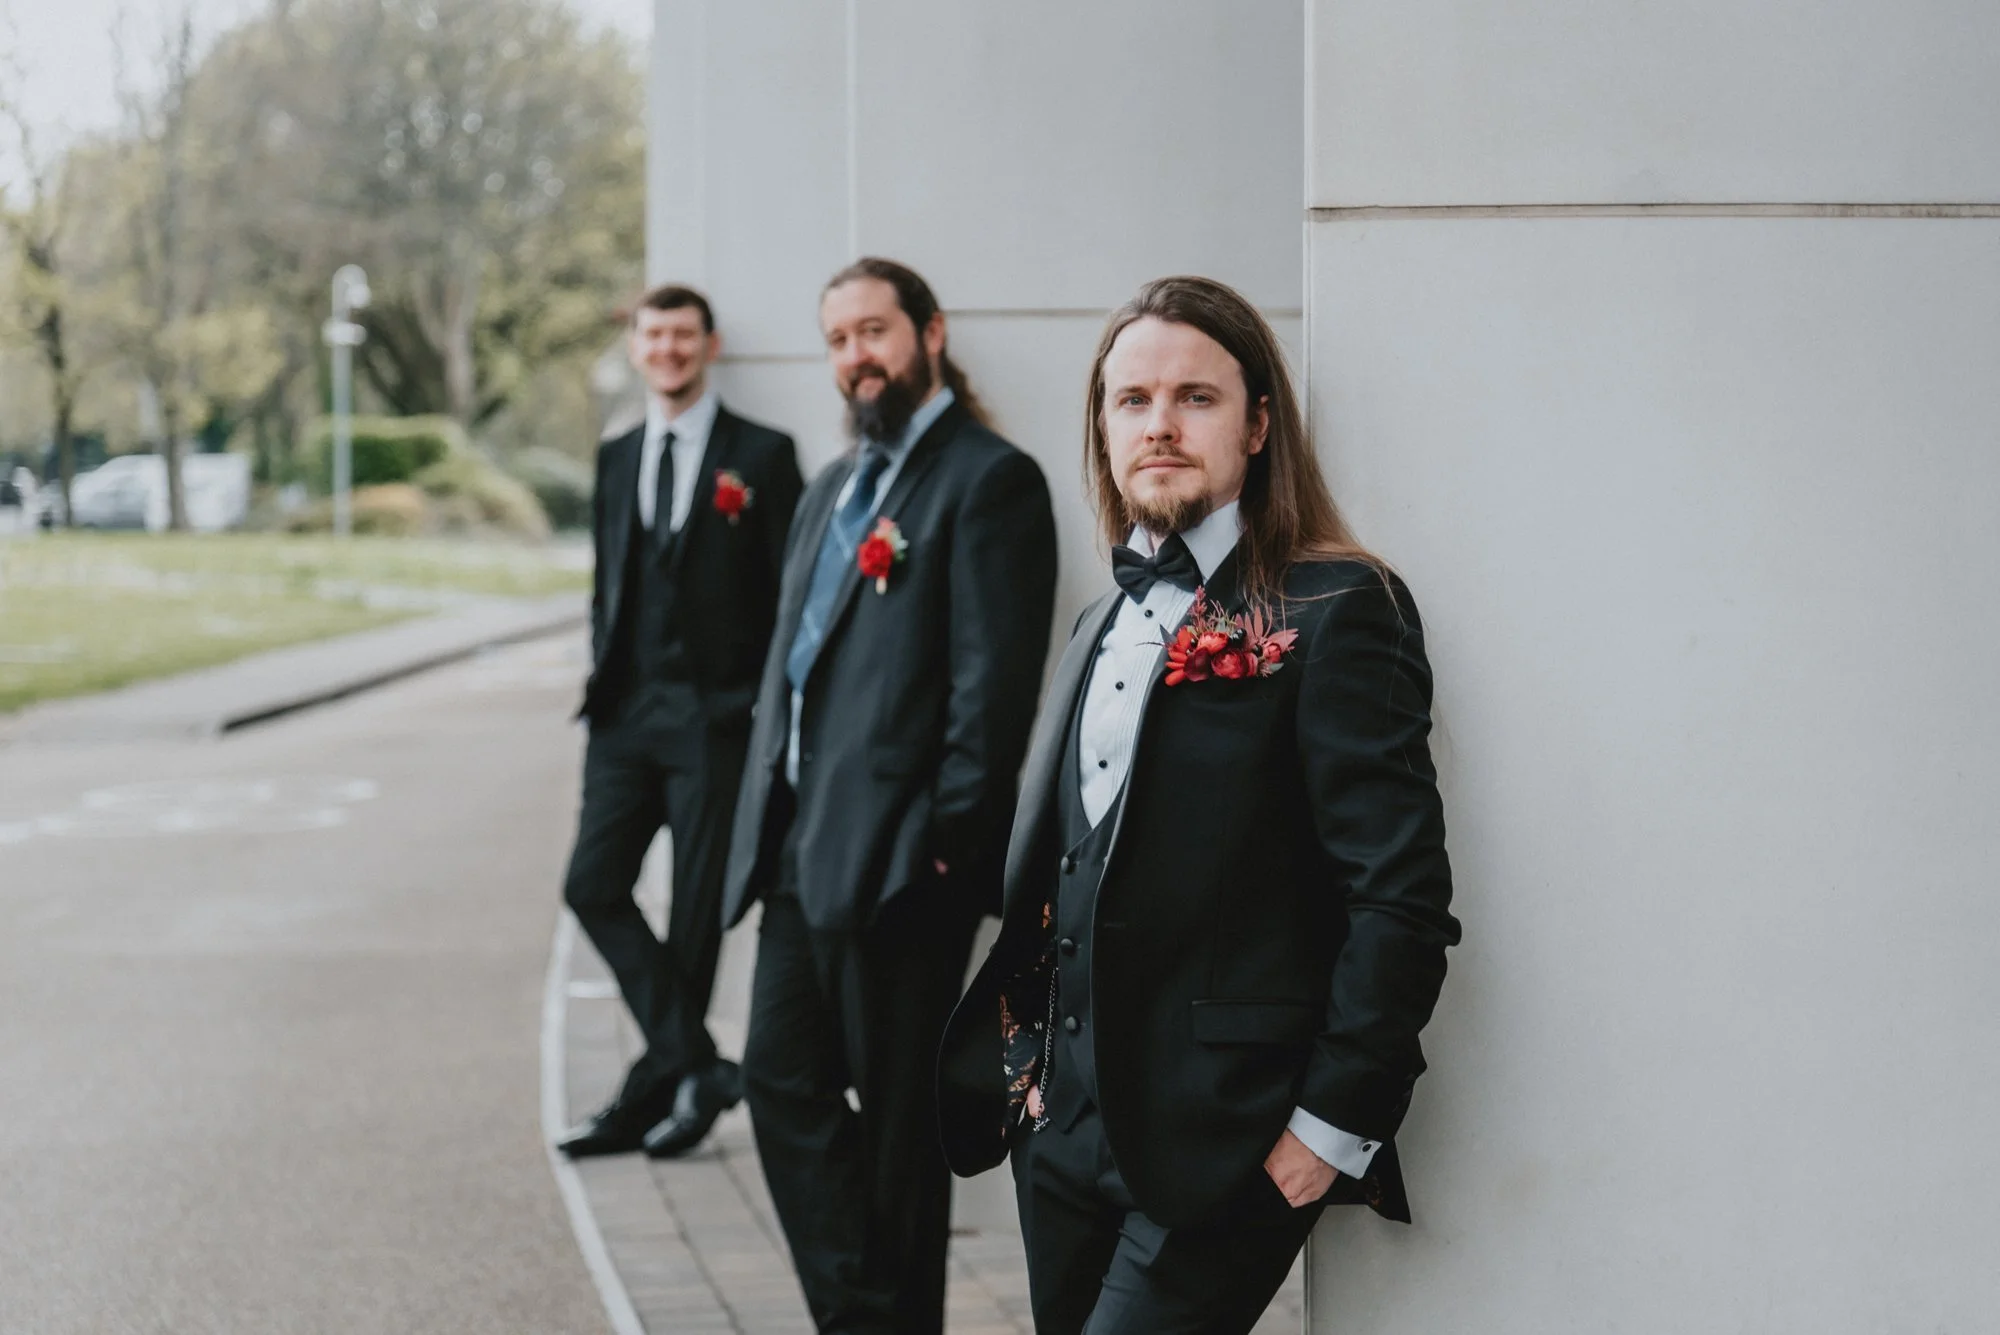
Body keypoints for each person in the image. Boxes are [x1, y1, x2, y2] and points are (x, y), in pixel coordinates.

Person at [938, 275, 1460, 1334]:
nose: (1159, 426)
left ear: (1258, 422)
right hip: (1062, 1139)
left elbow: (1398, 898)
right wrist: (1031, 1074)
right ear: (1100, 423)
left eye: (1195, 398)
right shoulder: (1099, 619)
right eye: (1131, 400)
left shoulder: (1340, 607)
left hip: (1228, 1145)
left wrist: (1327, 1132)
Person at [722, 258, 1058, 1333]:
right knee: (777, 1082)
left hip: (910, 861)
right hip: (799, 852)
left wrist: (948, 849)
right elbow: (792, 667)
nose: (854, 358)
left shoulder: (988, 480)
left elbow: (989, 691)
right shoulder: (829, 491)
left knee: (900, 1135)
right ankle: (867, 1318)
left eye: (873, 331)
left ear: (929, 333)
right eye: (836, 340)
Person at [556, 283, 804, 1160]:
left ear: (710, 344)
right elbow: (607, 584)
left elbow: (789, 598)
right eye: (653, 335)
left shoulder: (763, 457)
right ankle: (700, 1065)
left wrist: (763, 715)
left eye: (683, 335)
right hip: (625, 718)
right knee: (591, 884)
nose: (668, 349)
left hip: (715, 723)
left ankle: (650, 1094)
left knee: (697, 918)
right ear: (635, 347)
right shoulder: (618, 455)